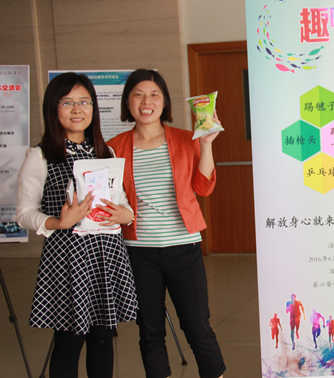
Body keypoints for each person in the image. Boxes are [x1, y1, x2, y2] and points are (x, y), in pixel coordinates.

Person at [16, 72, 138, 378]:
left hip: (106, 255)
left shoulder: (105, 152)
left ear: (93, 108)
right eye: (67, 102)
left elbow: (122, 201)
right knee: (69, 341)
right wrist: (58, 222)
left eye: (84, 102)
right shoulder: (39, 156)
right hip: (67, 259)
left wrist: (126, 214)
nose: (77, 109)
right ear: (52, 108)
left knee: (103, 339)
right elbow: (24, 213)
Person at [107, 69, 225, 378]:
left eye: (154, 95)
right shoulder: (113, 147)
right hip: (137, 252)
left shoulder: (187, 139)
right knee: (150, 331)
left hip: (183, 246)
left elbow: (204, 188)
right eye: (138, 95)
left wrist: (207, 144)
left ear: (164, 102)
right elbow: (108, 198)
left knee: (197, 326)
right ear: (128, 102)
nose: (146, 102)